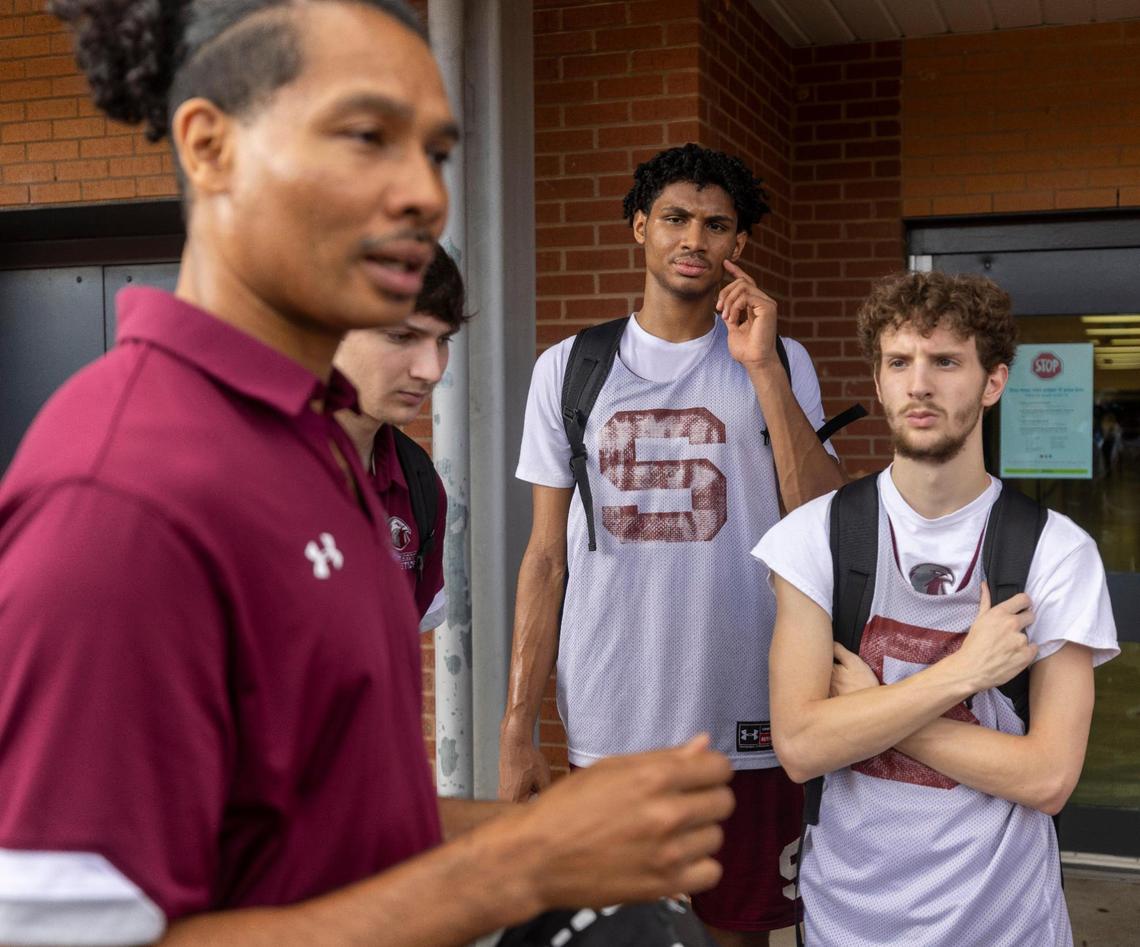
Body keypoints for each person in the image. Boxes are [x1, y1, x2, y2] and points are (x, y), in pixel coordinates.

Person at [0, 3, 736, 945]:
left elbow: (335, 829)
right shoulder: (121, 494)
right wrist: (524, 863)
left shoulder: (324, 452)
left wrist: (558, 835)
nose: (426, 194)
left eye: (434, 152)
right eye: (366, 136)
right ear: (210, 147)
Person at [499, 143, 845, 947]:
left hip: (751, 722)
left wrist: (761, 368)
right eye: (676, 218)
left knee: (736, 935)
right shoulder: (568, 367)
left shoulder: (781, 358)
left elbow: (825, 512)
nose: (695, 238)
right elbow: (546, 558)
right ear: (639, 228)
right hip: (612, 719)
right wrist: (518, 726)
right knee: (616, 932)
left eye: (716, 224)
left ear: (738, 246)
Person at [753, 271, 1119, 946]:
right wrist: (961, 674)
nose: (919, 383)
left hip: (1008, 926)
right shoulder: (815, 537)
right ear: (880, 379)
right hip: (847, 925)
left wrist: (875, 707)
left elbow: (1047, 777)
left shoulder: (1056, 553)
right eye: (900, 361)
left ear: (993, 382)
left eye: (946, 360)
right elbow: (801, 747)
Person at [334, 242, 465, 631]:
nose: (431, 369)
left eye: (443, 340)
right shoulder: (236, 477)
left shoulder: (417, 482)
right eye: (400, 336)